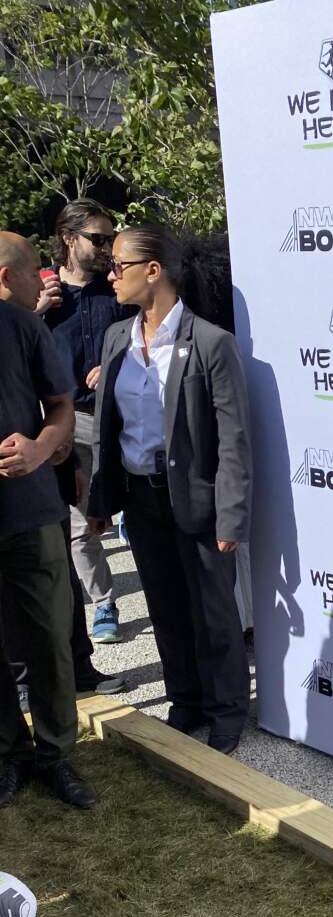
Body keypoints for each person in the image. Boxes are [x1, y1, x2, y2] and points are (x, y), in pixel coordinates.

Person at [87, 224, 252, 754]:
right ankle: (186, 701)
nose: (109, 275)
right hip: (140, 498)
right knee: (164, 606)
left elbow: (233, 438)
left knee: (213, 613)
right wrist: (100, 501)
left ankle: (227, 709)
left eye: (119, 265)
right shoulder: (116, 339)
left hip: (196, 500)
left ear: (152, 271)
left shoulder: (209, 343)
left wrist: (230, 516)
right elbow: (110, 430)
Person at [0, 232, 97, 810]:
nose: (46, 280)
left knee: (50, 639)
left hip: (31, 512)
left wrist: (41, 447)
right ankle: (9, 754)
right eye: (38, 271)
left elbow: (61, 406)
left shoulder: (20, 327)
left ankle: (55, 752)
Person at [37, 198, 133, 646]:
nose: (106, 247)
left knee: (137, 509)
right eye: (98, 238)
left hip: (122, 416)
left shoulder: (116, 288)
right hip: (69, 420)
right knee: (80, 522)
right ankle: (104, 602)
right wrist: (34, 311)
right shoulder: (45, 294)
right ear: (68, 239)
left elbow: (144, 337)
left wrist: (115, 365)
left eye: (110, 238)